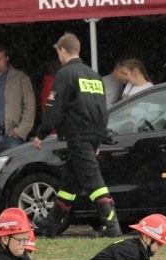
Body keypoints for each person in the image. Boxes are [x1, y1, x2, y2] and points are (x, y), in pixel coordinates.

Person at [32, 32, 121, 238]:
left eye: (58, 52)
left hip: (77, 134)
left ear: (62, 50)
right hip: (91, 134)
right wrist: (98, 138)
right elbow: (102, 110)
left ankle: (111, 224)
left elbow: (54, 107)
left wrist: (41, 134)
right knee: (69, 184)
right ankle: (51, 225)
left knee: (92, 178)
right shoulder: (94, 76)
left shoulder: (65, 75)